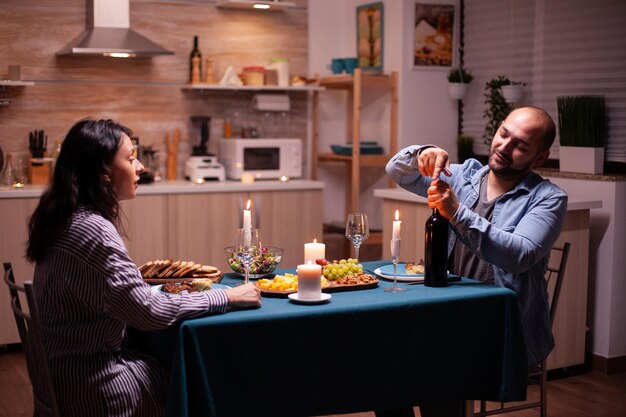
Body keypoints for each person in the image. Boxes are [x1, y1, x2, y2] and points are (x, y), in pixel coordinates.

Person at [26, 118, 261, 417]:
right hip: (95, 388)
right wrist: (227, 297)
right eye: (130, 157)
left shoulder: (66, 218)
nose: (141, 167)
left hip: (62, 377)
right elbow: (148, 312)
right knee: (214, 379)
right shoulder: (93, 231)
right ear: (103, 171)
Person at [379, 106, 568, 417]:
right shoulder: (464, 175)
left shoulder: (548, 198)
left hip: (500, 327)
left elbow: (518, 256)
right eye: (503, 134)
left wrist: (456, 211)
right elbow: (396, 171)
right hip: (447, 313)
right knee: (380, 356)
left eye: (520, 145)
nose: (505, 147)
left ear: (540, 158)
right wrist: (424, 152)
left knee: (436, 368)